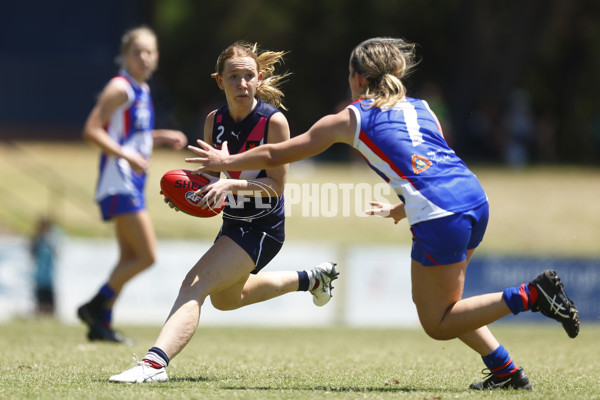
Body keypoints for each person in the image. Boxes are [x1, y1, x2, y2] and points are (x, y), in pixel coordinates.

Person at [188, 37, 580, 391]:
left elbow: (277, 154)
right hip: (473, 198)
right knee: (452, 303)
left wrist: (229, 160)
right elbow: (433, 161)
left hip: (439, 213)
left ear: (356, 79)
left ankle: (530, 295)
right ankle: (505, 370)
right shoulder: (422, 106)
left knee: (439, 322)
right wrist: (403, 204)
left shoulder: (350, 117)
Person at [108, 41, 338, 382]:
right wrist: (191, 193)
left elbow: (275, 187)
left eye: (248, 76)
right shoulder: (214, 121)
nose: (242, 84)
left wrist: (230, 186)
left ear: (259, 79)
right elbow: (211, 180)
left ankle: (154, 365)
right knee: (228, 300)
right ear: (220, 81)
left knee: (193, 285)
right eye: (233, 77)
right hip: (233, 224)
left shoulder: (273, 123)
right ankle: (312, 279)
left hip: (262, 228)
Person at [77, 26, 189, 343]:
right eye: (137, 51)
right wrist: (127, 155)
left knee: (129, 258)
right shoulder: (120, 87)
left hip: (132, 182)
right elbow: (91, 130)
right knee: (147, 256)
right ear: (125, 55)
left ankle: (102, 325)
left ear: (156, 57)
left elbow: (130, 136)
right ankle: (95, 306)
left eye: (149, 52)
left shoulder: (142, 90)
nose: (143, 57)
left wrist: (161, 137)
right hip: (118, 181)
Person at [30, 217, 60, 316]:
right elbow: (31, 252)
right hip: (39, 277)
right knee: (40, 304)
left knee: (50, 305)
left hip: (49, 278)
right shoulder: (37, 241)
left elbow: (57, 252)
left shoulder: (51, 240)